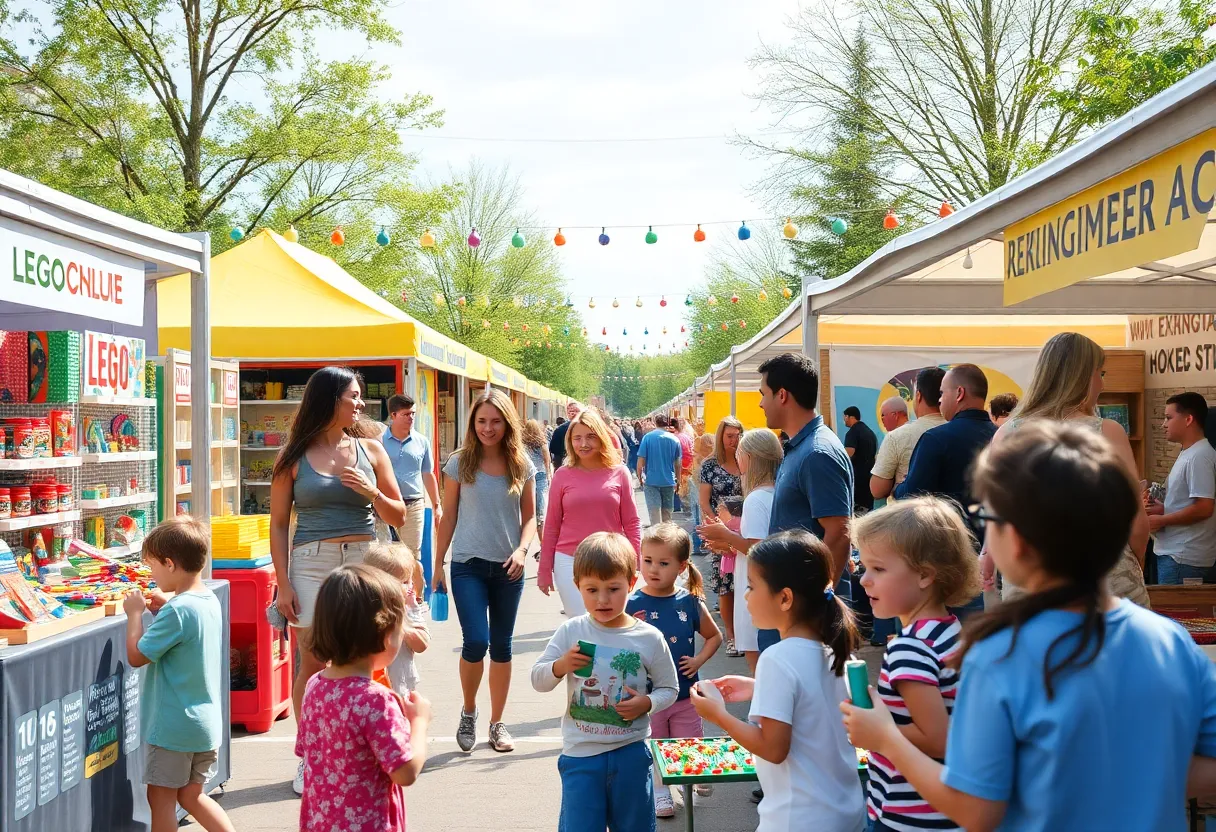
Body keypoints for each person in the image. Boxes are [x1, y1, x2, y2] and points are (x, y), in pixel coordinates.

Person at [842, 421, 1216, 831]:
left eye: (986, 515)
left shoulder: (999, 654)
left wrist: (886, 738)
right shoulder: (1169, 640)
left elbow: (975, 811)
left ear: (1016, 538)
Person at [268, 366, 407, 795]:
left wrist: (371, 492)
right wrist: (284, 583)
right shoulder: (292, 457)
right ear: (330, 399)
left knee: (365, 657)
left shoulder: (372, 449)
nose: (361, 403)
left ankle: (366, 749)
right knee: (311, 662)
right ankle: (310, 756)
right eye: (353, 396)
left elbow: (398, 515)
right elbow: (276, 525)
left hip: (363, 559)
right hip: (310, 562)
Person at [690, 531, 866, 832]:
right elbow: (814, 702)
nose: (745, 596)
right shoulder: (835, 652)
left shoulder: (776, 659)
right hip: (846, 814)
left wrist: (717, 715)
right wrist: (757, 687)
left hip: (797, 819)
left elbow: (773, 748)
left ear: (784, 598)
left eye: (751, 586)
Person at [531, 532, 680, 832]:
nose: (602, 599)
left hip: (632, 754)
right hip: (581, 756)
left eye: (613, 588)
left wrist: (647, 702)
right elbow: (538, 679)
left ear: (632, 581)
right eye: (591, 589)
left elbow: (670, 688)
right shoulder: (571, 631)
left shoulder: (649, 637)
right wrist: (561, 666)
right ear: (577, 587)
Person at [987, 333, 1149, 606]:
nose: (1102, 382)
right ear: (1084, 377)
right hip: (1104, 579)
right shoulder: (1106, 432)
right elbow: (1134, 519)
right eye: (1101, 373)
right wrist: (1135, 566)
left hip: (1030, 580)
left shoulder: (1006, 434)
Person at [852, 497, 982, 832]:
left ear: (924, 575)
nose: (865, 580)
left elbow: (937, 738)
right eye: (864, 566)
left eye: (878, 569)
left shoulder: (911, 647)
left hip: (906, 814)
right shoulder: (950, 631)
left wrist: (876, 731)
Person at [432, 388, 537, 753]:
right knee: (476, 641)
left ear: (507, 423)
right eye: (481, 421)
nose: (488, 429)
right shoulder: (459, 463)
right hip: (468, 566)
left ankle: (497, 723)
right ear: (472, 423)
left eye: (495, 421)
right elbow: (448, 517)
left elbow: (530, 518)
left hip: (509, 568)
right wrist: (438, 565)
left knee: (503, 648)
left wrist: (523, 551)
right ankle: (469, 711)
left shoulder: (522, 464)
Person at [295, 564, 430, 832]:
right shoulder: (376, 701)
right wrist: (420, 722)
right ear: (383, 635)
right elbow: (405, 772)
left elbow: (307, 752)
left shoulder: (313, 686)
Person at [123, 518, 232, 832]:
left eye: (153, 566)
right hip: (204, 726)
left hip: (173, 729)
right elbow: (185, 636)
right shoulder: (206, 599)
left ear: (170, 564)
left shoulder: (177, 610)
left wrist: (135, 615)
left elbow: (136, 655)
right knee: (192, 795)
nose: (151, 574)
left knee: (160, 798)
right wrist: (163, 610)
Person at [757, 353, 853, 653]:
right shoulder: (802, 446)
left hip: (804, 614)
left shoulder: (817, 453)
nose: (761, 403)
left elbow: (839, 533)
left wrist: (816, 605)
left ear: (782, 395)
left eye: (763, 394)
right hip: (790, 606)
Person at [627, 524, 722, 818]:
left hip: (684, 694)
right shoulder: (632, 602)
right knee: (655, 748)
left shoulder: (689, 601)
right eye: (647, 561)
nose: (653, 569)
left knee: (686, 745)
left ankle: (689, 779)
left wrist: (698, 661)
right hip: (651, 697)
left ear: (681, 566)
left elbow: (715, 635)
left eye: (663, 563)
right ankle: (660, 793)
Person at [538, 409, 642, 617]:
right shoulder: (562, 475)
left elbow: (631, 522)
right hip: (569, 561)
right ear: (570, 441)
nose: (583, 444)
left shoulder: (619, 472)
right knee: (580, 626)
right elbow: (551, 525)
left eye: (590, 437)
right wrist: (544, 569)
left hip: (612, 559)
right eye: (577, 438)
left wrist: (636, 562)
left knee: (610, 623)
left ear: (601, 437)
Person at [698, 428, 783, 673]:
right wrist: (728, 543)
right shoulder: (773, 492)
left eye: (741, 453)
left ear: (751, 458)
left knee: (757, 658)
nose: (737, 458)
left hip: (754, 584)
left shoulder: (756, 499)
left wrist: (725, 536)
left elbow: (758, 547)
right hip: (763, 582)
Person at [893, 364, 995, 505]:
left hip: (949, 525)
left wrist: (900, 487)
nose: (939, 400)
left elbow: (911, 496)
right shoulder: (1004, 438)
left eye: (942, 393)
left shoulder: (935, 439)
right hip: (991, 525)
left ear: (959, 393)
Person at [1148, 392, 1216, 584]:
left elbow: (1204, 507)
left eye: (1169, 417)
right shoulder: (1188, 453)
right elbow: (1186, 502)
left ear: (1188, 419)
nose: (1163, 424)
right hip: (1175, 555)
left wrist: (1162, 520)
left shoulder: (1199, 457)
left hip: (1183, 559)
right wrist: (1162, 508)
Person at [698, 416, 744, 645]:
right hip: (721, 529)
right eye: (729, 436)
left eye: (737, 435)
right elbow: (704, 501)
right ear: (720, 437)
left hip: (746, 529)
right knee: (726, 585)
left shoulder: (748, 461)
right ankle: (731, 636)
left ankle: (745, 633)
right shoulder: (710, 465)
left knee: (745, 581)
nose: (734, 440)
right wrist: (716, 527)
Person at [870, 368, 947, 502]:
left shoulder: (897, 437)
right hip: (951, 517)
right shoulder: (957, 430)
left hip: (906, 516)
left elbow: (877, 490)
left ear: (918, 396)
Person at [363, 544, 430, 695]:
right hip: (367, 688)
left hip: (401, 687)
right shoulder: (362, 608)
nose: (406, 587)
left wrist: (399, 623)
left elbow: (422, 645)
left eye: (407, 581)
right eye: (399, 582)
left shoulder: (409, 607)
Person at [381, 393, 442, 553]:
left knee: (411, 554)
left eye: (413, 413)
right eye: (406, 414)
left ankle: (413, 579)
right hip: (386, 503)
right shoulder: (379, 440)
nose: (411, 417)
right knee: (386, 554)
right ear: (393, 415)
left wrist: (437, 505)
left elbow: (428, 474)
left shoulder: (422, 441)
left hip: (414, 503)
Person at [637, 414, 683, 525]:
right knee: (667, 514)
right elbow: (678, 463)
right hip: (668, 481)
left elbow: (641, 461)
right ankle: (667, 538)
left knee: (655, 515)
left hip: (651, 481)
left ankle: (657, 537)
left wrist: (640, 477)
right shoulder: (675, 439)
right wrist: (678, 480)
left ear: (655, 422)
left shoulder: (647, 438)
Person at [843, 406, 878, 514]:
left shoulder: (852, 432)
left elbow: (848, 453)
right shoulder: (870, 432)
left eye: (845, 417)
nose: (844, 419)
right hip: (870, 479)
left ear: (850, 417)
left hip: (858, 481)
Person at [522, 419, 553, 540]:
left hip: (526, 475)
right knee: (539, 509)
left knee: (526, 506)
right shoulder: (542, 442)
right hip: (540, 475)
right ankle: (542, 541)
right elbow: (547, 460)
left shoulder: (522, 442)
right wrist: (549, 474)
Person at [689, 433, 716, 554]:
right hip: (703, 498)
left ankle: (697, 545)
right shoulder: (707, 464)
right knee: (700, 521)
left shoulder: (698, 460)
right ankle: (702, 545)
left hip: (695, 495)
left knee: (696, 520)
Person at [550, 403, 581, 468]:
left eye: (576, 411)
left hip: (566, 465)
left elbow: (556, 455)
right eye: (571, 411)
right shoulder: (559, 430)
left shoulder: (559, 430)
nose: (574, 413)